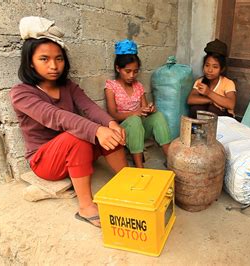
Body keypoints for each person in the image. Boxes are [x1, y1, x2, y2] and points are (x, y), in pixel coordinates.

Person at [10, 16, 128, 228]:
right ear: (30, 62)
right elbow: (56, 117)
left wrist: (110, 124)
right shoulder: (21, 93)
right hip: (45, 161)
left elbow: (89, 107)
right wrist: (96, 130)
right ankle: (85, 207)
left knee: (111, 132)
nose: (54, 65)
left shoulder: (68, 86)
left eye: (59, 59)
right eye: (44, 59)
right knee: (80, 135)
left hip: (75, 154)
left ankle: (129, 181)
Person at [105, 39, 171, 168]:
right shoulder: (111, 87)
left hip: (140, 128)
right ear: (118, 68)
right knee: (135, 120)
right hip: (124, 131)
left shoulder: (138, 86)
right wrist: (135, 113)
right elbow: (113, 115)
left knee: (158, 116)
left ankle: (170, 159)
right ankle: (139, 167)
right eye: (128, 71)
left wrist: (149, 110)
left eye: (135, 71)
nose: (132, 75)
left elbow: (144, 109)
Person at [187, 39, 236, 118]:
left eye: (215, 67)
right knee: (196, 108)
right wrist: (211, 100)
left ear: (222, 69)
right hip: (204, 122)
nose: (209, 70)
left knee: (212, 109)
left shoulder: (228, 83)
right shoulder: (200, 81)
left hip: (222, 122)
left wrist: (209, 93)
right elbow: (190, 99)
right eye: (207, 65)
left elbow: (231, 104)